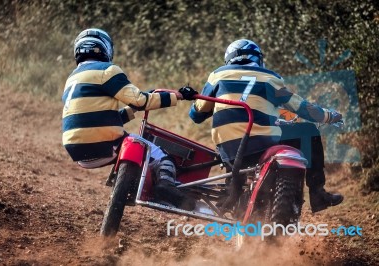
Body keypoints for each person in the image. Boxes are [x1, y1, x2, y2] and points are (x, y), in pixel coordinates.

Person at [188, 39, 343, 213]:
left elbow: (196, 114)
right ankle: (317, 193)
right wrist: (330, 116)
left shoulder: (218, 75)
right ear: (258, 58)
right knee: (309, 131)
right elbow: (301, 107)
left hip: (229, 148)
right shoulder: (270, 78)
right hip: (262, 144)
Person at [61, 28, 197, 210]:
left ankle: (131, 183)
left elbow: (108, 117)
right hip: (104, 145)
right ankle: (166, 186)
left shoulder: (72, 78)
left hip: (76, 150)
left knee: (128, 140)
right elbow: (141, 100)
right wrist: (178, 96)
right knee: (162, 156)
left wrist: (136, 107)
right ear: (105, 48)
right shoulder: (107, 70)